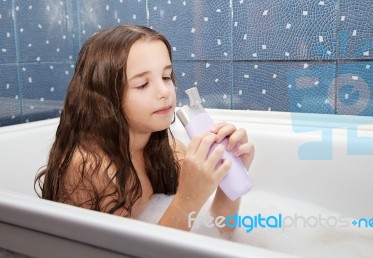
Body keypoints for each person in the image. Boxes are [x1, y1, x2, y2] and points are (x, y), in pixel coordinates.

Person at [35, 25, 254, 235]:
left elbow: (220, 233)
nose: (164, 91)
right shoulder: (88, 168)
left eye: (166, 77)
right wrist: (188, 199)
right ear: (106, 99)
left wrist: (231, 176)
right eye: (142, 84)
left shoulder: (170, 150)